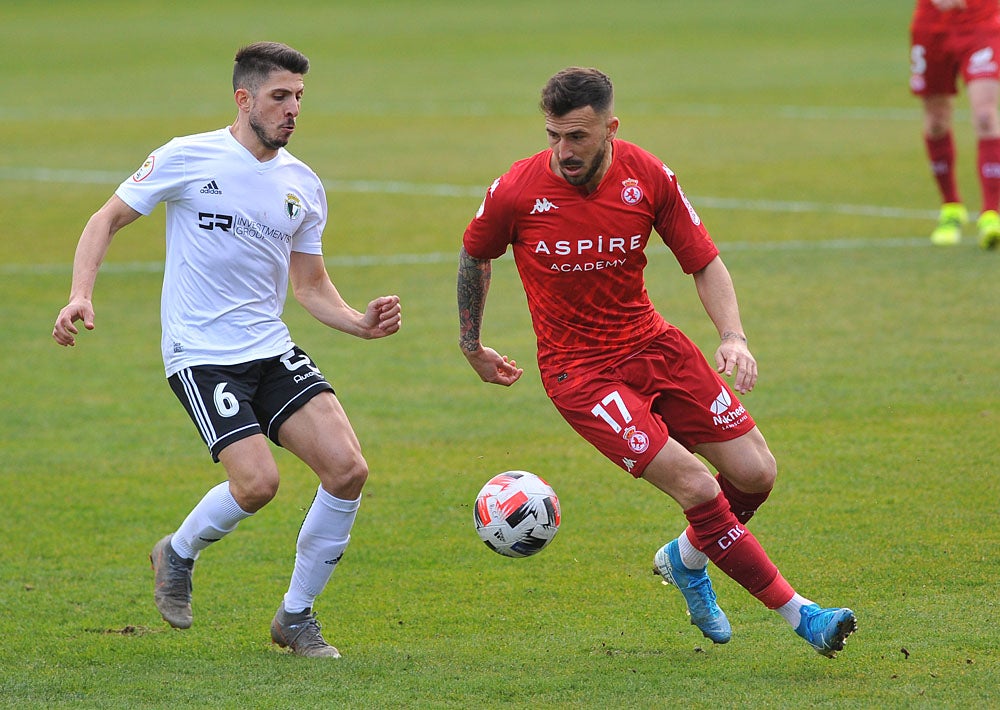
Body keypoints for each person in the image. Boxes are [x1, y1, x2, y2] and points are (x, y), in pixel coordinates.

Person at [457, 67, 857, 657]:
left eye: (579, 137)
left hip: (654, 346)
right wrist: (472, 345)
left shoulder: (647, 175)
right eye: (554, 136)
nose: (564, 151)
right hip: (581, 374)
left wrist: (734, 336)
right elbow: (474, 255)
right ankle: (804, 616)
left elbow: (703, 260)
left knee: (755, 474)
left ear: (610, 128)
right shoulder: (518, 190)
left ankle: (686, 558)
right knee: (697, 485)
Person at [52, 41, 402, 658]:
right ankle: (177, 552)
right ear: (244, 100)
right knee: (257, 483)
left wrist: (359, 322)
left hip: (269, 347)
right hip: (201, 352)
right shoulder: (188, 156)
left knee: (348, 471)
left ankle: (295, 618)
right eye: (279, 97)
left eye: (299, 97)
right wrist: (80, 294)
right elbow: (103, 219)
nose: (293, 109)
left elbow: (310, 285)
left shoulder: (303, 185)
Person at [910, 0, 1000, 248]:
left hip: (980, 22)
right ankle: (951, 207)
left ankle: (991, 214)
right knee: (936, 121)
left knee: (985, 116)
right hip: (932, 25)